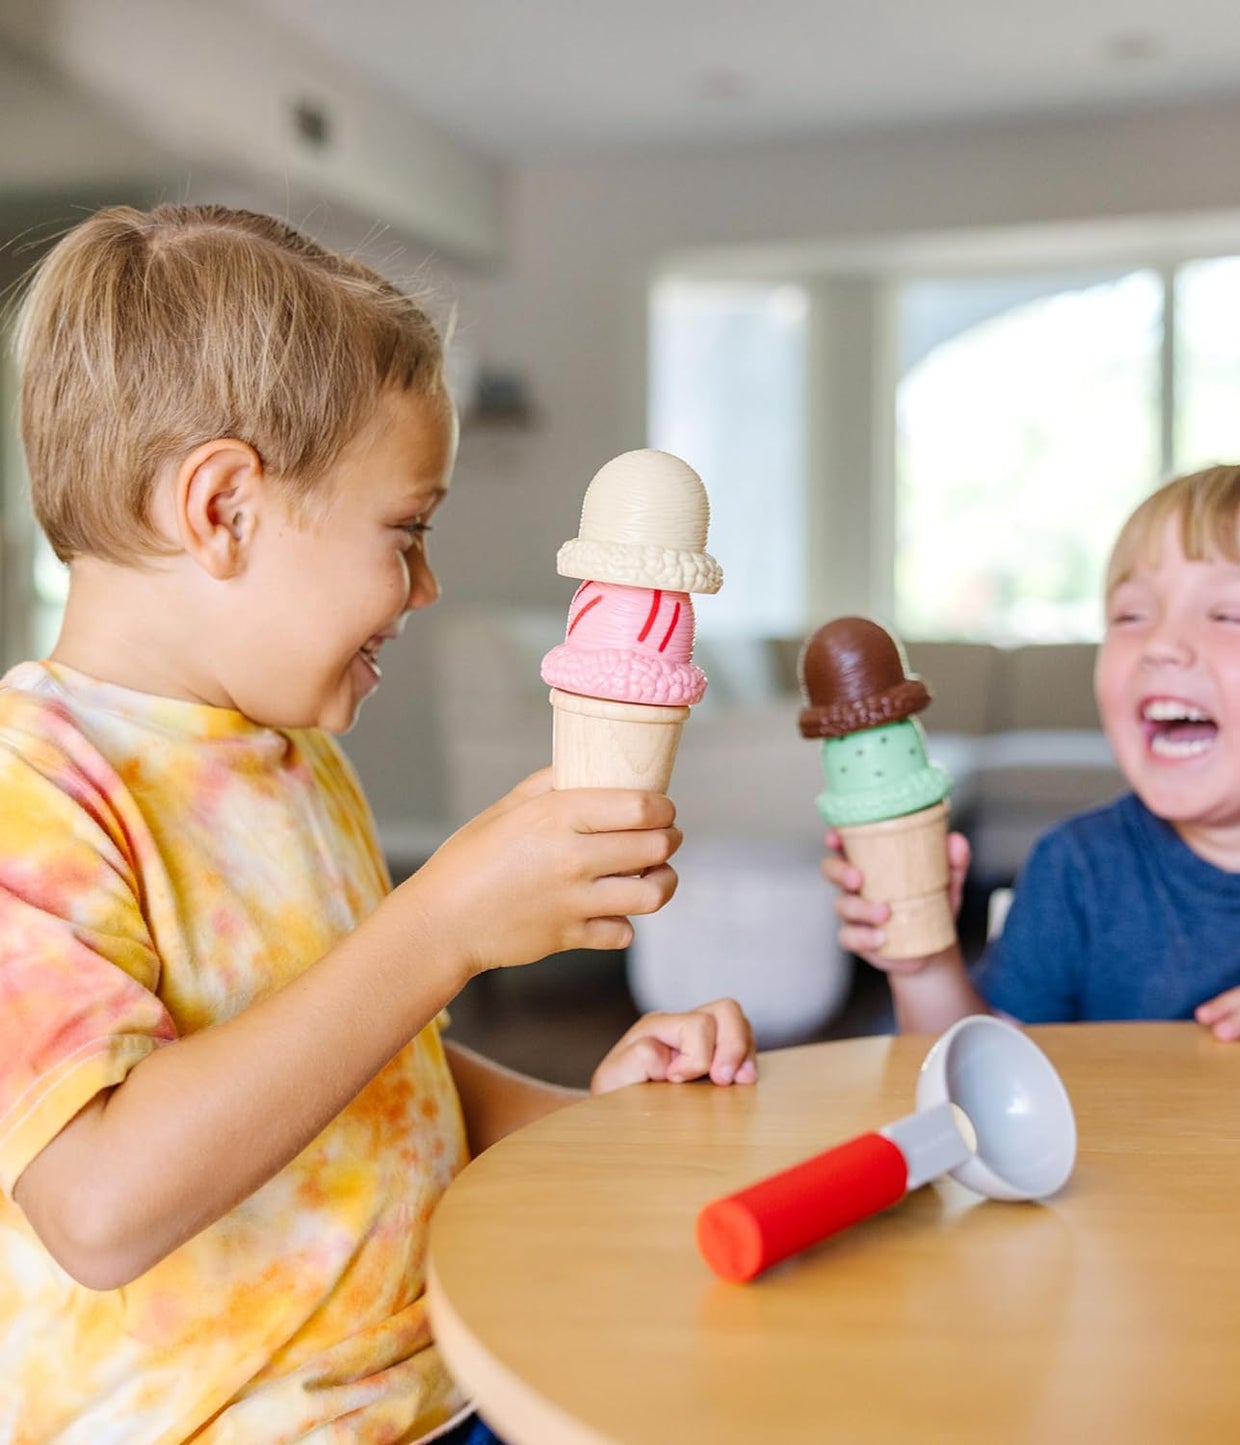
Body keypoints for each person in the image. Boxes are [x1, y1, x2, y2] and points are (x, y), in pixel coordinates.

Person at [0, 204, 756, 1445]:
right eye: (405, 531)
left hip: (439, 1388)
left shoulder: (293, 759)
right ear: (225, 508)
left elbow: (376, 1077)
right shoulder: (35, 792)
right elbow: (97, 1203)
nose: (427, 582)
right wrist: (440, 923)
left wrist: (594, 1126)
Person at [826, 462, 1240, 1047]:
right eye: (1130, 614)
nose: (1161, 645)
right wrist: (925, 965)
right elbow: (982, 1083)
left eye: (1229, 614)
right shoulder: (1079, 869)